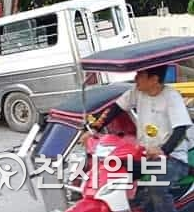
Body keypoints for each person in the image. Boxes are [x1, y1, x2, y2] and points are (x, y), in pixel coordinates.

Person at [81, 65, 192, 212]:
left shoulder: (171, 97)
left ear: (154, 79)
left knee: (156, 187)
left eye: (140, 75)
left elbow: (180, 129)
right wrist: (93, 128)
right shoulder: (137, 92)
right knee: (112, 168)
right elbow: (115, 108)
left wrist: (163, 150)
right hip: (145, 154)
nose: (135, 78)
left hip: (172, 158)